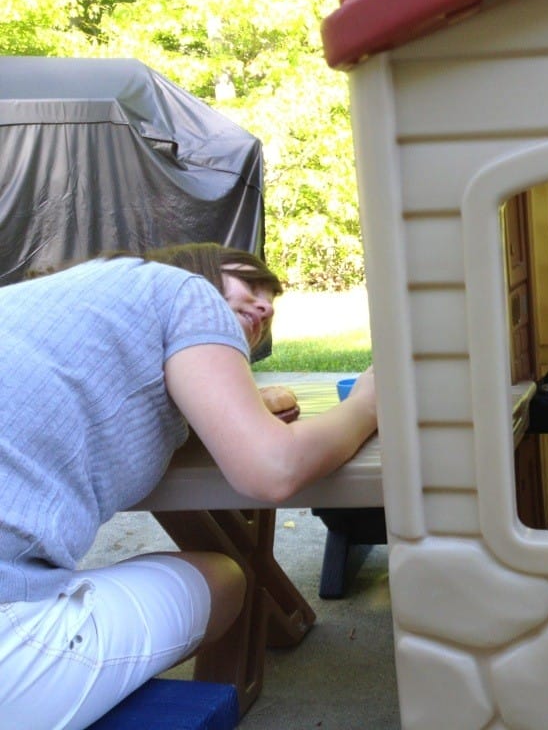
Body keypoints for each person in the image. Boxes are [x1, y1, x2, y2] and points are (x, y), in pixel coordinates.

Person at [0, 243, 378, 729]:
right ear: (196, 268)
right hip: (13, 651)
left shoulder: (44, 304)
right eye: (249, 283)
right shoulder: (183, 291)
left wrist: (230, 409)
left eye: (269, 303)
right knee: (226, 580)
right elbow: (273, 468)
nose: (264, 307)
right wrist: (367, 404)